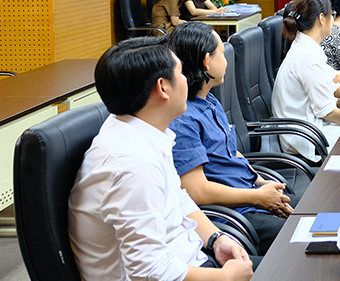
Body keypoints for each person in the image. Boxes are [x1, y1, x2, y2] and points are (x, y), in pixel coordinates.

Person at [68, 37, 256, 281]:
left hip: (191, 260)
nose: (187, 79)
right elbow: (150, 272)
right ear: (163, 87)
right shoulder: (134, 165)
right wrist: (225, 278)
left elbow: (177, 197)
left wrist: (216, 239)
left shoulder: (142, 129)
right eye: (181, 72)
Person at [167, 22, 295, 256]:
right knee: (301, 236)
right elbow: (197, 191)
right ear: (207, 62)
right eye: (222, 53)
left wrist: (260, 182)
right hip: (235, 215)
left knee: (311, 209)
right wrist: (257, 197)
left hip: (250, 195)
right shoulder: (183, 119)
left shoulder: (209, 100)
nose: (226, 61)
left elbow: (230, 152)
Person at [273, 0, 340, 159]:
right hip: (308, 138)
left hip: (312, 127)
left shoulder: (306, 48)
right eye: (332, 14)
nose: (333, 19)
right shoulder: (307, 57)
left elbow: (331, 80)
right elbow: (328, 112)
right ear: (321, 18)